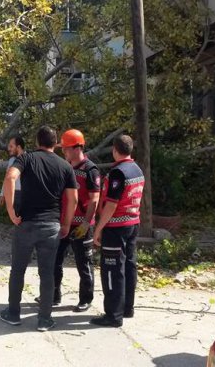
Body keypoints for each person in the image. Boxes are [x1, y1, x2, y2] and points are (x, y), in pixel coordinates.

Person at [0, 126, 77, 332]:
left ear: (36, 142)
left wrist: (11, 210)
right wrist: (67, 223)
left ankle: (13, 313)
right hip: (51, 225)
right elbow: (73, 199)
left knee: (18, 270)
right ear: (56, 144)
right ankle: (44, 319)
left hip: (26, 223)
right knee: (47, 273)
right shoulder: (65, 166)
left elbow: (10, 177)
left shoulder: (27, 159)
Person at [91, 135, 144, 328]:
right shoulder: (137, 169)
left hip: (116, 227)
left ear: (114, 149)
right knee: (129, 265)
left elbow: (111, 205)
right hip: (132, 223)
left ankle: (113, 314)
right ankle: (127, 308)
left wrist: (99, 228)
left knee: (112, 269)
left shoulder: (118, 173)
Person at [51, 129, 100, 312]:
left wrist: (86, 223)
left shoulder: (90, 170)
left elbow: (95, 198)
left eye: (66, 148)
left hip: (82, 226)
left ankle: (85, 299)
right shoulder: (66, 168)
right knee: (55, 260)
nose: (64, 152)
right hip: (64, 223)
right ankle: (54, 295)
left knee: (84, 263)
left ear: (77, 147)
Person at [0, 136, 25, 215]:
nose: (9, 149)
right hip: (13, 193)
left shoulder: (30, 159)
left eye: (11, 146)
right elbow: (7, 178)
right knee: (16, 219)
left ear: (18, 147)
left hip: (26, 193)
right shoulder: (11, 161)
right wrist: (2, 194)